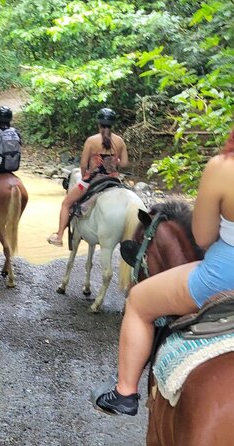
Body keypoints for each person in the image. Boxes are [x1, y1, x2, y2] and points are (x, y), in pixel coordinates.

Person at [92, 125, 234, 416]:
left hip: (224, 275)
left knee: (139, 301)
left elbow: (204, 237)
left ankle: (124, 392)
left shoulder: (223, 167)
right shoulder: (116, 143)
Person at [47, 108, 128, 246]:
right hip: (113, 181)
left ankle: (59, 236)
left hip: (92, 180)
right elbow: (125, 163)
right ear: (112, 124)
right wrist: (115, 161)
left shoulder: (91, 140)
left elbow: (83, 164)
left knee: (66, 204)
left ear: (99, 124)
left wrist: (85, 175)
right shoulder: (120, 141)